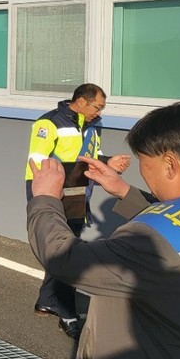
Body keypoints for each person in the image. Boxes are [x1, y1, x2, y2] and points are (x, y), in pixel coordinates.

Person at [28, 102, 180, 359]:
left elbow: (64, 258)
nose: (142, 173)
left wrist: (45, 199)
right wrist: (123, 190)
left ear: (170, 164)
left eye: (144, 165)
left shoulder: (145, 242)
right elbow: (177, 221)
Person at [25, 83, 131, 337]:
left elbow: (94, 154)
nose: (100, 112)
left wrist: (108, 161)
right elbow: (37, 164)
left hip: (79, 193)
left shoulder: (93, 125)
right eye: (98, 106)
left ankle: (47, 300)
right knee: (68, 254)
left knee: (65, 250)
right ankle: (67, 313)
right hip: (55, 194)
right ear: (82, 102)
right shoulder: (48, 123)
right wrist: (43, 201)